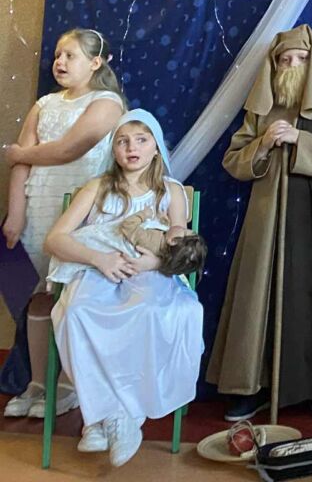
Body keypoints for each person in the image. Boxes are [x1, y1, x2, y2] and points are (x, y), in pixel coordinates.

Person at [206, 25, 312, 422]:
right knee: (260, 295)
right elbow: (234, 160)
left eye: (301, 59)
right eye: (284, 60)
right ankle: (254, 385)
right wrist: (263, 143)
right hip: (267, 218)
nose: (292, 65)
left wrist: (300, 140)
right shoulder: (261, 110)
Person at [45, 109, 203, 467]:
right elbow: (55, 239)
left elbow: (178, 237)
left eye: (141, 140)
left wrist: (154, 262)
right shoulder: (98, 187)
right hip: (99, 267)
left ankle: (109, 417)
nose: (132, 148)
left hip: (148, 268)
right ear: (114, 150)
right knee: (76, 310)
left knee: (151, 310)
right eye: (123, 141)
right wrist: (99, 260)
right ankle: (111, 417)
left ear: (156, 147)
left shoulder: (171, 191)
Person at [2, 27, 125, 420]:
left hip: (80, 209)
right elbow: (21, 163)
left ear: (95, 62)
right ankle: (38, 382)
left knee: (74, 297)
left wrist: (21, 152)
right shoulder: (44, 104)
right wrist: (15, 212)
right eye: (58, 55)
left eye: (70, 55)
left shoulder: (107, 103)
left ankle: (70, 385)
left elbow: (70, 148)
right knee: (38, 296)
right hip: (39, 205)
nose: (60, 62)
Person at [47, 204, 207, 283]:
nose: (183, 227)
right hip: (107, 257)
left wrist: (156, 263)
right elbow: (53, 240)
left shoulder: (153, 240)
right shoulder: (165, 239)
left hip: (141, 272)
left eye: (186, 230)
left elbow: (130, 227)